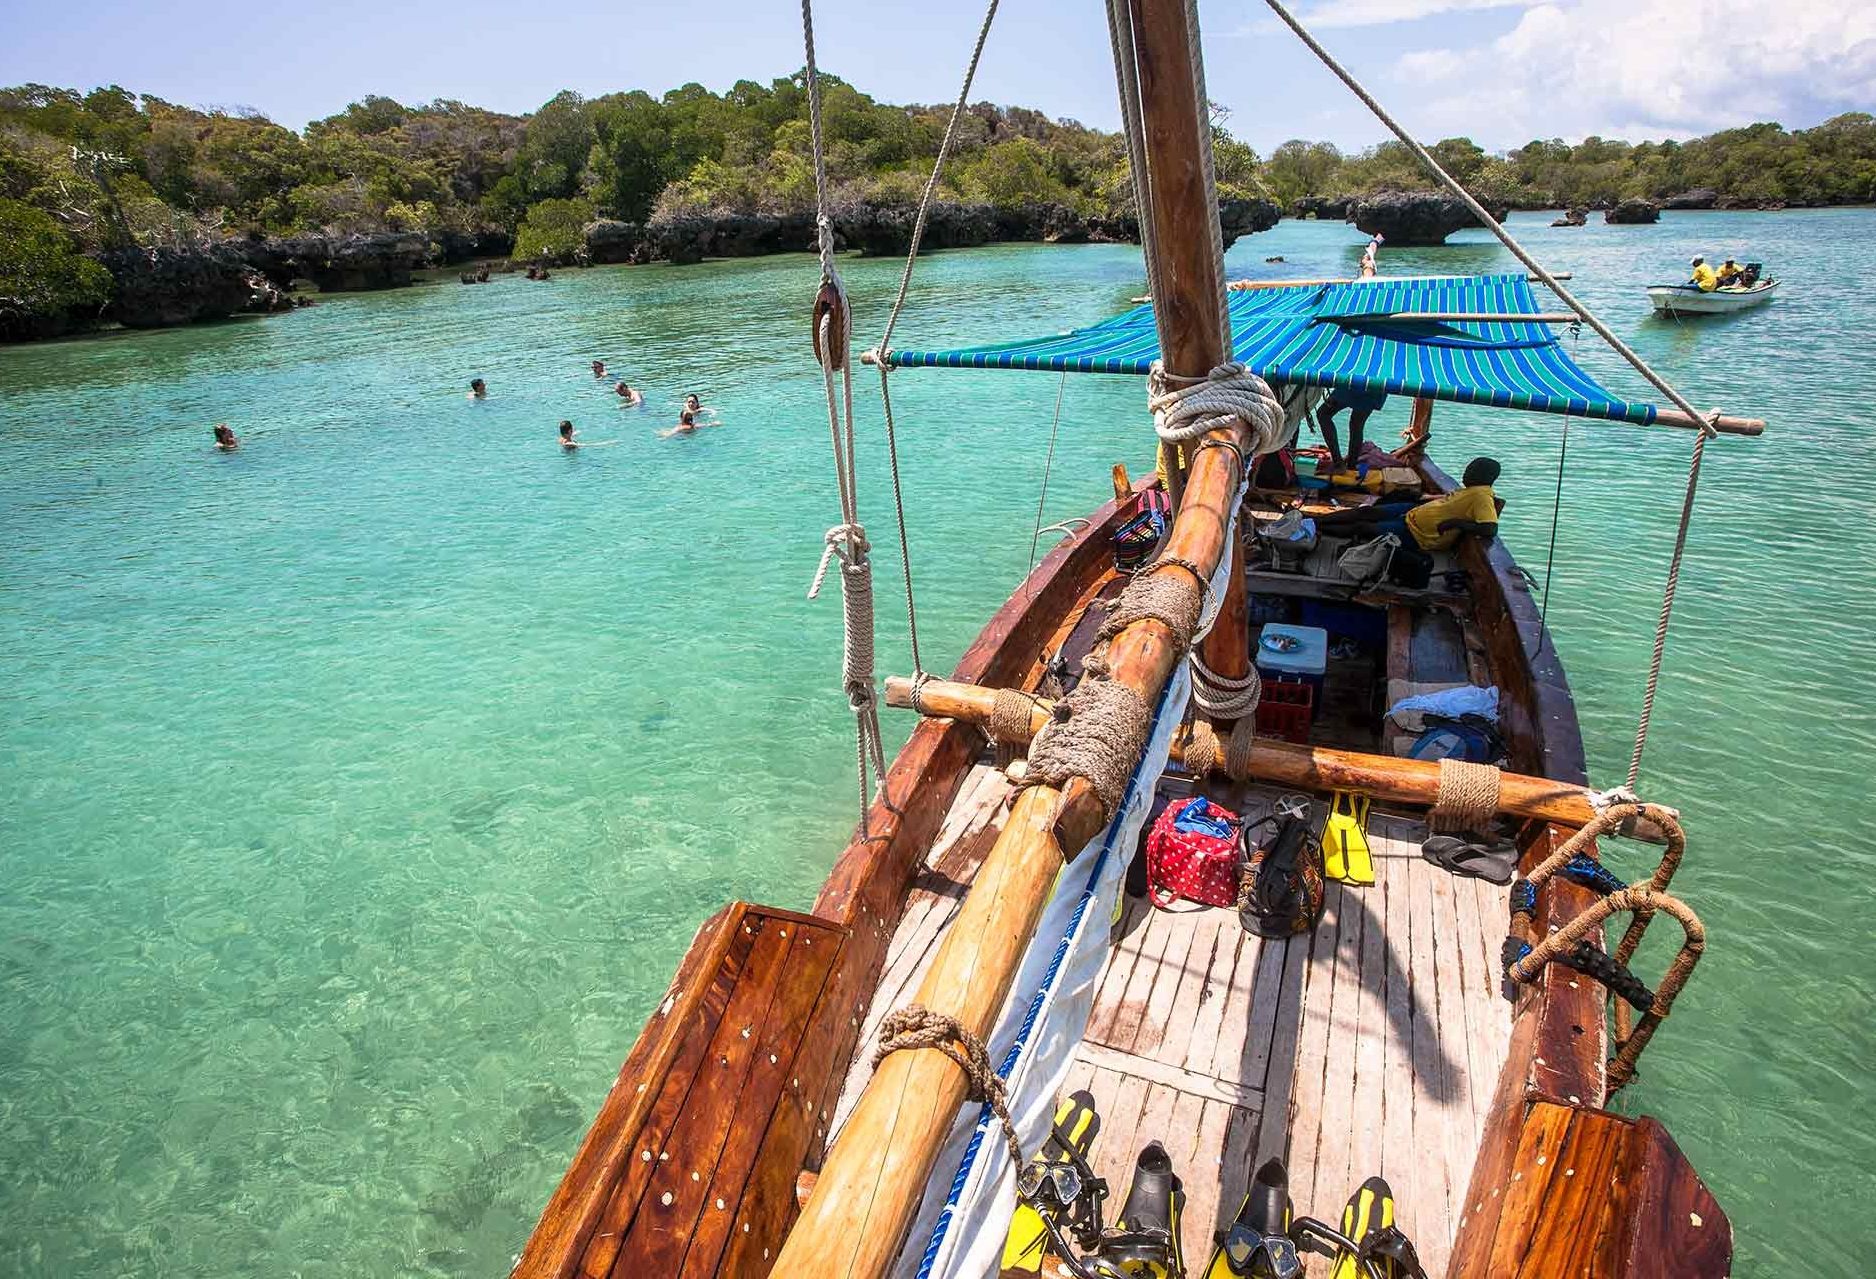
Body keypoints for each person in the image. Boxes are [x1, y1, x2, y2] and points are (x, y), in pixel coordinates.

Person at [1313, 456, 1502, 554]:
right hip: (1413, 513)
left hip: (1419, 534)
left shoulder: (1482, 496)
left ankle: (1315, 526)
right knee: (1369, 511)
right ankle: (1314, 520)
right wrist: (1423, 497)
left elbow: (1490, 528)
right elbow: (1448, 502)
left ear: (1486, 477)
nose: (1465, 474)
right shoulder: (1472, 490)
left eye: (1470, 471)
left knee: (1363, 527)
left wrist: (1455, 524)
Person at [1315, 387, 1388, 475]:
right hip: (1373, 387)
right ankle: (1351, 466)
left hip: (1354, 386)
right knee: (1356, 425)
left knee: (1323, 414)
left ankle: (1339, 464)